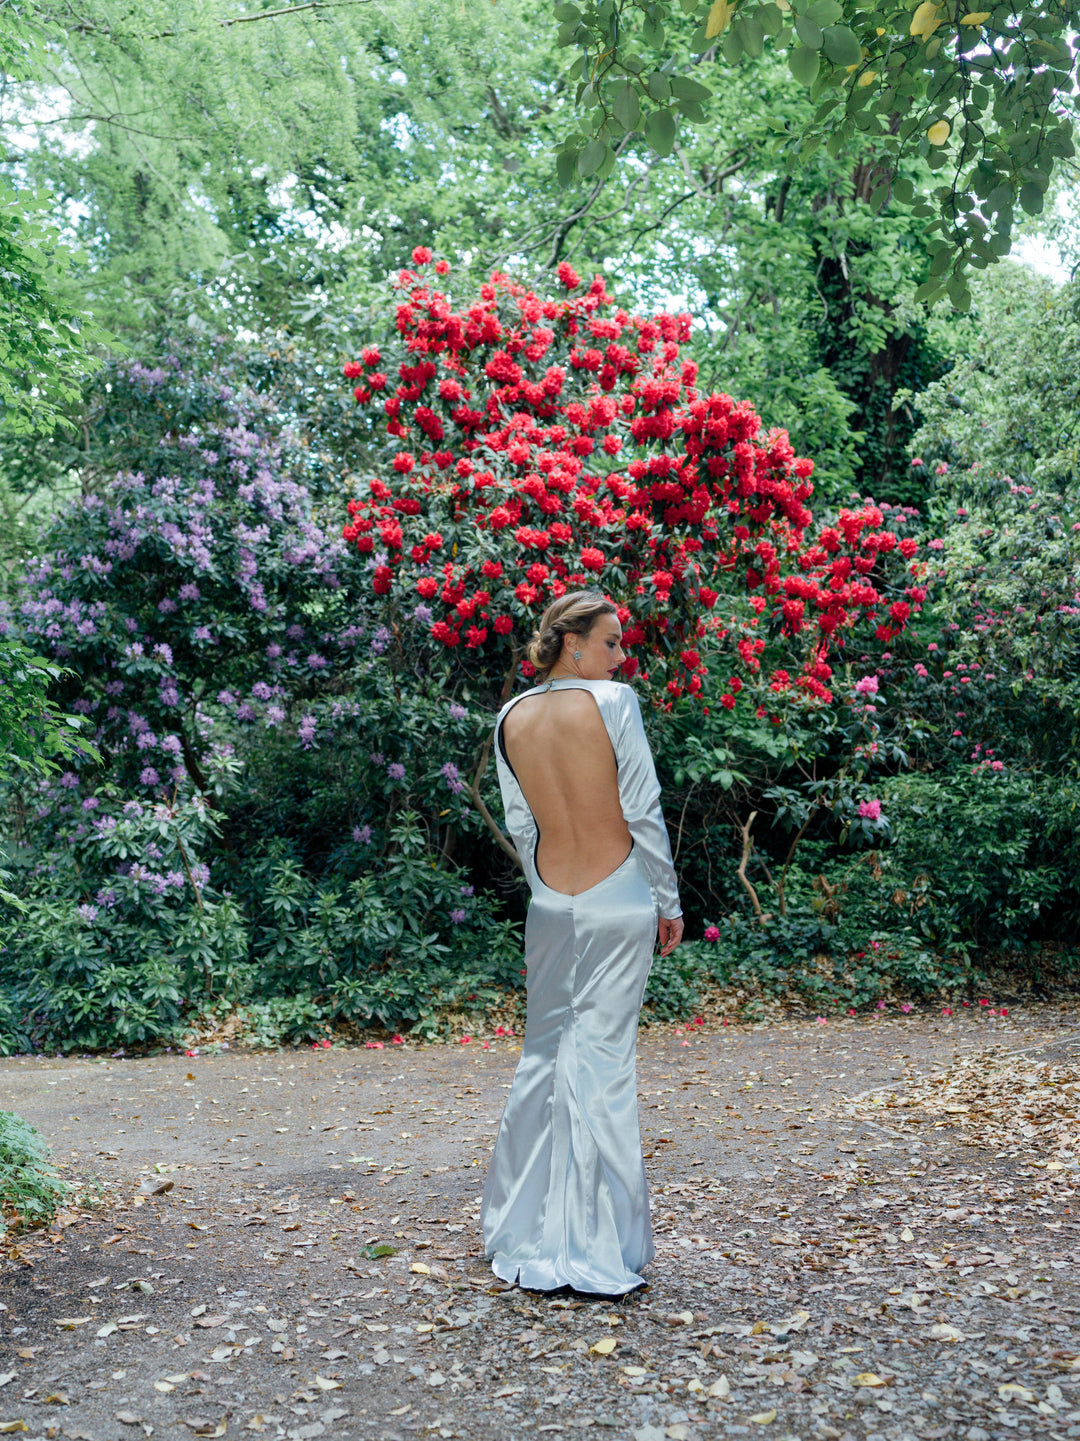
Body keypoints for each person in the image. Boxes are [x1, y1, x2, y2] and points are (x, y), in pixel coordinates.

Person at [481, 590, 684, 1296]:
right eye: (611, 641)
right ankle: (598, 1242)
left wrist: (545, 888)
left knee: (544, 1059)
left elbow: (523, 822)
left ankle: (522, 1227)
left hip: (550, 903)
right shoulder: (614, 703)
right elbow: (642, 808)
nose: (619, 655)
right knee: (602, 1062)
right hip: (618, 896)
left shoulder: (510, 715)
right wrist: (668, 897)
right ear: (574, 643)